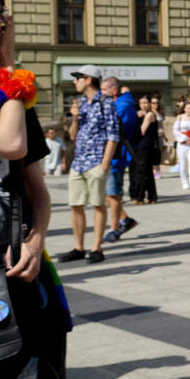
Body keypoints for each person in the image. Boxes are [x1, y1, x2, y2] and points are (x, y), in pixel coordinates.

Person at [0, 7, 58, 379]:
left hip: (11, 280)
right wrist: (13, 71)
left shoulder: (16, 96)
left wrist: (36, 238)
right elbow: (9, 143)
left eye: (0, 16)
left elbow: (35, 186)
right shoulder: (14, 93)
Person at [59, 65, 119, 264]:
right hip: (79, 161)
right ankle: (79, 247)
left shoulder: (106, 102)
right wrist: (75, 117)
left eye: (78, 78)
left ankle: (96, 248)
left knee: (98, 205)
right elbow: (73, 136)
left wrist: (104, 164)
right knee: (75, 204)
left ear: (89, 79)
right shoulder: (81, 103)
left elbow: (113, 135)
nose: (75, 81)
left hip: (96, 161)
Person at [99, 77, 139, 244]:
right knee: (107, 193)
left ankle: (114, 228)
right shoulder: (118, 104)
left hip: (117, 157)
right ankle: (125, 219)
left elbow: (116, 131)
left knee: (112, 193)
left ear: (113, 91)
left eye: (104, 90)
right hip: (112, 156)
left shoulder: (123, 106)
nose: (101, 93)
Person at [130, 96, 158, 205]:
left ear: (150, 103)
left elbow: (141, 130)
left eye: (145, 102)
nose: (143, 105)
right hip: (144, 145)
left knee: (141, 171)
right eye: (141, 103)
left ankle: (139, 197)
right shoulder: (144, 114)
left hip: (144, 146)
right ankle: (152, 197)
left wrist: (136, 118)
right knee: (147, 171)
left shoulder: (150, 114)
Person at [149, 94, 165, 178]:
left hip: (160, 136)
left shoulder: (159, 112)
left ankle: (157, 169)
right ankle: (155, 170)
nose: (156, 105)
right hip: (153, 136)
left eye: (157, 103)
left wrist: (165, 136)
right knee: (154, 153)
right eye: (153, 103)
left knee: (159, 153)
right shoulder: (150, 113)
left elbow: (162, 125)